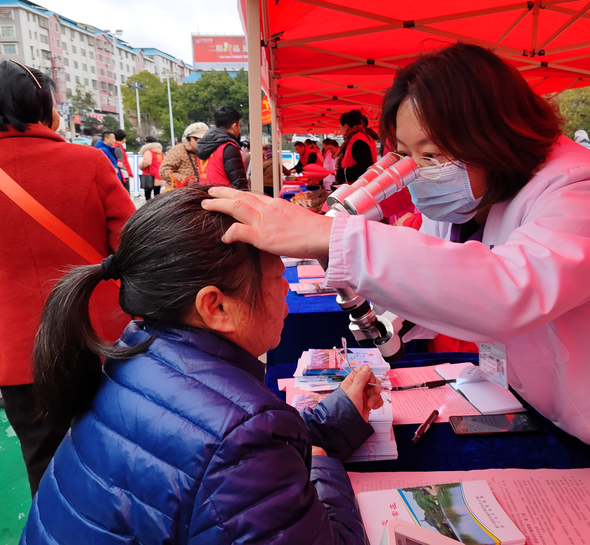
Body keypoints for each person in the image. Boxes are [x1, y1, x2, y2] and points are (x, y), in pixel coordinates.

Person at [203, 43, 590, 545]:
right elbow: (442, 276)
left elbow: (507, 289)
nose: (423, 173)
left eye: (436, 153)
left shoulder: (583, 187)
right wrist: (391, 322)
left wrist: (332, 236)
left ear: (494, 132)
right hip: (563, 422)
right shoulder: (468, 202)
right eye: (412, 156)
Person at [21, 186, 380, 544]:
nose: (286, 288)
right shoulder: (241, 440)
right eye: (275, 277)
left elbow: (208, 452)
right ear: (216, 306)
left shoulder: (135, 355)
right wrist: (320, 459)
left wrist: (335, 422)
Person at [0, 59, 134, 496]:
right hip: (93, 338)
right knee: (111, 451)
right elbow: (131, 244)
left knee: (44, 465)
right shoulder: (87, 162)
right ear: (45, 106)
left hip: (16, 354)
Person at [196, 105, 248, 189]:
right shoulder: (228, 147)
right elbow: (239, 183)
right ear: (234, 127)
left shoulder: (203, 146)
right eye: (239, 125)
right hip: (226, 198)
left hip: (207, 196)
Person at [159, 122, 207, 189]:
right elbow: (163, 171)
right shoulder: (178, 150)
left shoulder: (207, 151)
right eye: (200, 140)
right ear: (190, 138)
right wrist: (185, 180)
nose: (203, 143)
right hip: (179, 193)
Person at [335, 109, 377, 184]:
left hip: (358, 188)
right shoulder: (353, 140)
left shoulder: (358, 141)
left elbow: (364, 167)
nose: (340, 130)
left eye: (340, 127)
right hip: (355, 187)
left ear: (346, 126)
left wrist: (341, 173)